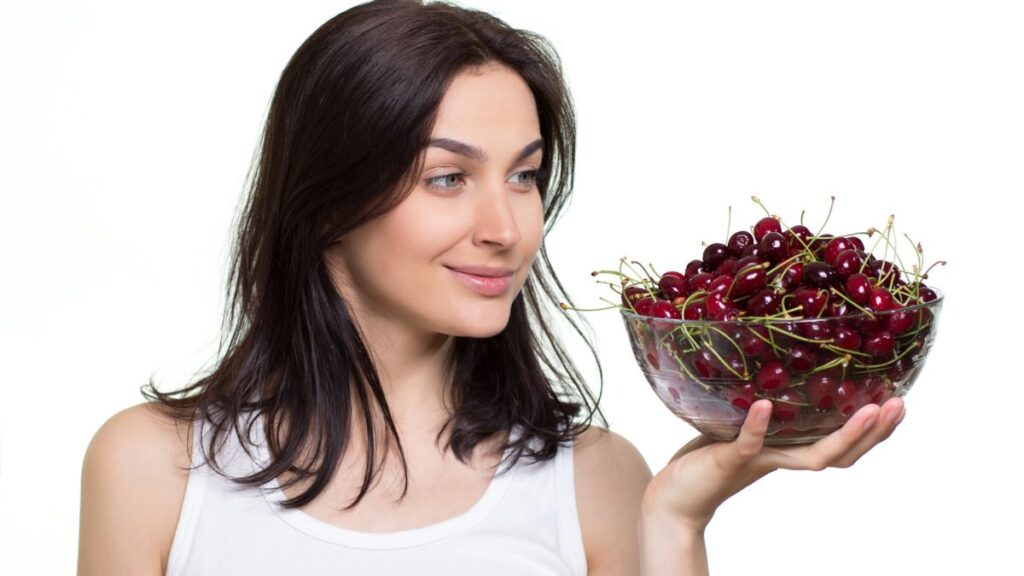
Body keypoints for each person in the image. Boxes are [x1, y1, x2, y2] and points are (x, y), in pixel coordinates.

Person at [77, 1, 906, 574]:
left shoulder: (597, 483)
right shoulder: (153, 471)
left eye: (525, 176)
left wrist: (677, 519)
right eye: (447, 178)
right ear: (328, 197)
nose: (507, 228)